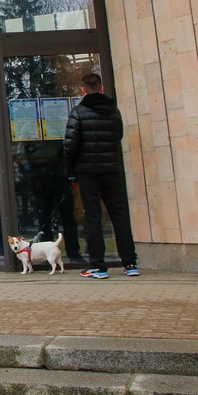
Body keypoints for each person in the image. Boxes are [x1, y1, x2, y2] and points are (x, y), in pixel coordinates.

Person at [63, 72, 139, 279]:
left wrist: (70, 171)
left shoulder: (78, 112)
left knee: (93, 216)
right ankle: (130, 263)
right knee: (119, 214)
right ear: (102, 88)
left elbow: (70, 145)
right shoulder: (114, 111)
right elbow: (118, 135)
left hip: (87, 172)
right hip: (112, 170)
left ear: (83, 90)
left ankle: (98, 265)